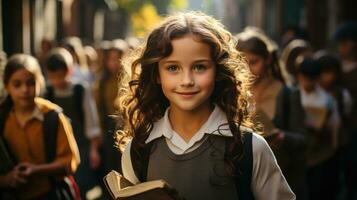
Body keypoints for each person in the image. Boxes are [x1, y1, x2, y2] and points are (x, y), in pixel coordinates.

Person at [117, 12, 295, 200]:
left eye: (199, 67)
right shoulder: (138, 151)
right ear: (156, 75)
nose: (186, 81)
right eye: (173, 68)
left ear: (218, 71)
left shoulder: (251, 148)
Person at [236, 31, 307, 199]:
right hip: (244, 176)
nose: (248, 70)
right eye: (242, 63)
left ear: (267, 59)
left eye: (254, 62)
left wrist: (283, 137)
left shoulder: (287, 94)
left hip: (280, 174)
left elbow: (303, 139)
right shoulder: (233, 93)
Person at [0, 54, 80, 199]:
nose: (25, 90)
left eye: (30, 83)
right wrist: (6, 179)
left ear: (40, 82)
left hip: (49, 194)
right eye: (17, 84)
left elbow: (70, 162)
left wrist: (37, 170)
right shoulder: (3, 119)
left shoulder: (53, 117)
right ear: (7, 86)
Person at [44, 48, 102, 199]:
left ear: (68, 71)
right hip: (56, 149)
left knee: (80, 187)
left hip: (80, 147)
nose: (57, 81)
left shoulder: (80, 90)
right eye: (53, 76)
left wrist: (93, 150)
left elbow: (91, 121)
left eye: (60, 75)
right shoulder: (47, 92)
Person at [296, 57, 340, 200]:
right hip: (298, 151)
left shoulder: (326, 99)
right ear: (299, 76)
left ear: (317, 78)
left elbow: (335, 124)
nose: (307, 83)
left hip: (319, 153)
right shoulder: (292, 93)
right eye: (305, 78)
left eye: (311, 79)